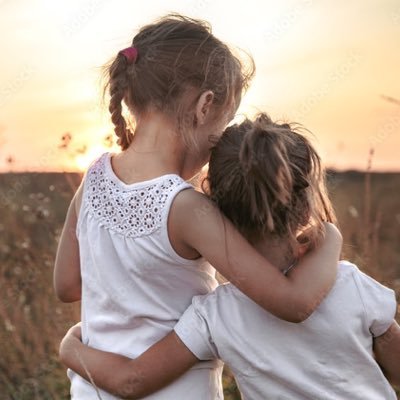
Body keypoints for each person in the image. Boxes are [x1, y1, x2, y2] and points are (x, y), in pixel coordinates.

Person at [54, 13, 342, 399]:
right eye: (218, 133)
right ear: (204, 106)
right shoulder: (186, 208)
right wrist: (331, 238)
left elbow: (67, 285)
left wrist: (76, 345)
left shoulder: (93, 178)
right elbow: (292, 302)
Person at [60, 114, 399, 399]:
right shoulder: (352, 285)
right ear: (306, 204)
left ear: (216, 207)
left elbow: (132, 380)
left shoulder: (214, 316)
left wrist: (70, 349)